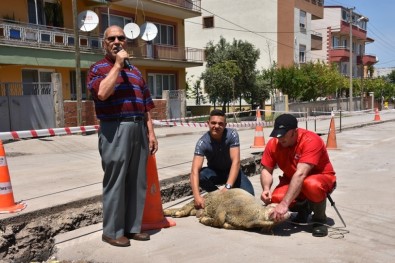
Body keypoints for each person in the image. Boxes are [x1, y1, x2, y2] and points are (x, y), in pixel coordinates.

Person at [87, 25, 158, 247]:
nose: (117, 41)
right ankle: (112, 231)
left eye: (121, 38)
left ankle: (132, 227)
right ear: (105, 43)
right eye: (112, 38)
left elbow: (146, 104)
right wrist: (117, 65)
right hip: (114, 129)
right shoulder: (97, 68)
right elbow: (102, 93)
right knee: (115, 181)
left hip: (139, 128)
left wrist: (151, 132)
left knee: (137, 181)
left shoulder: (136, 72)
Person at [260, 114, 336, 237]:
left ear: (295, 132)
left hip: (320, 178)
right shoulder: (274, 144)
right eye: (278, 134)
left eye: (284, 135)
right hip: (293, 179)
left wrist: (285, 204)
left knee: (311, 185)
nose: (280, 138)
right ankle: (303, 209)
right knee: (277, 198)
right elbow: (266, 170)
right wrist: (266, 189)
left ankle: (319, 220)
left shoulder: (311, 140)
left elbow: (301, 174)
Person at [190, 109, 255, 209]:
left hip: (232, 171)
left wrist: (227, 187)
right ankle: (218, 197)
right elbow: (194, 170)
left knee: (250, 196)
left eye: (220, 124)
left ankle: (227, 192)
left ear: (225, 125)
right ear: (208, 123)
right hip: (215, 172)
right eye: (213, 123)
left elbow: (236, 162)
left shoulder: (232, 135)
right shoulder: (202, 142)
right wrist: (197, 196)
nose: (216, 126)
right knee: (200, 175)